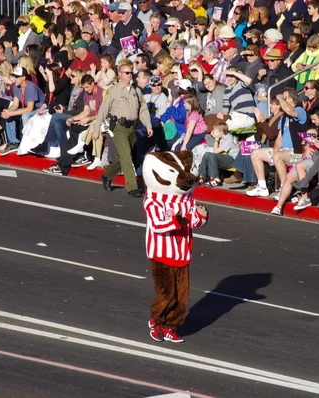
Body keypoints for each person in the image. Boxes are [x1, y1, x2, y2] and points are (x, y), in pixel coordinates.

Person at [143, 151, 207, 344]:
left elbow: (195, 221)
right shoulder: (153, 199)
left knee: (182, 295)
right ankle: (157, 321)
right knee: (166, 293)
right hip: (161, 252)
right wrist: (178, 219)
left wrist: (202, 216)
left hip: (183, 252)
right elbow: (157, 225)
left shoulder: (187, 198)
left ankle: (172, 326)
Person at [95, 63, 153, 197]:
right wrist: (97, 128)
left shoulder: (136, 91)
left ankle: (106, 176)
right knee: (126, 156)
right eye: (126, 73)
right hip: (119, 128)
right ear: (120, 75)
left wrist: (148, 125)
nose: (129, 75)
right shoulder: (113, 91)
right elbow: (103, 110)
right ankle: (132, 187)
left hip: (132, 127)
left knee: (123, 156)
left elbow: (143, 110)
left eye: (131, 73)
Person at [198, 121, 239, 186]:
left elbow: (215, 151)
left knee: (213, 156)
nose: (213, 131)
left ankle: (215, 178)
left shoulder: (228, 139)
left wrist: (216, 139)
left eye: (215, 130)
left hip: (233, 160)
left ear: (221, 132)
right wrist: (216, 138)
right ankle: (203, 176)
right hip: (228, 157)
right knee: (207, 154)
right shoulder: (223, 137)